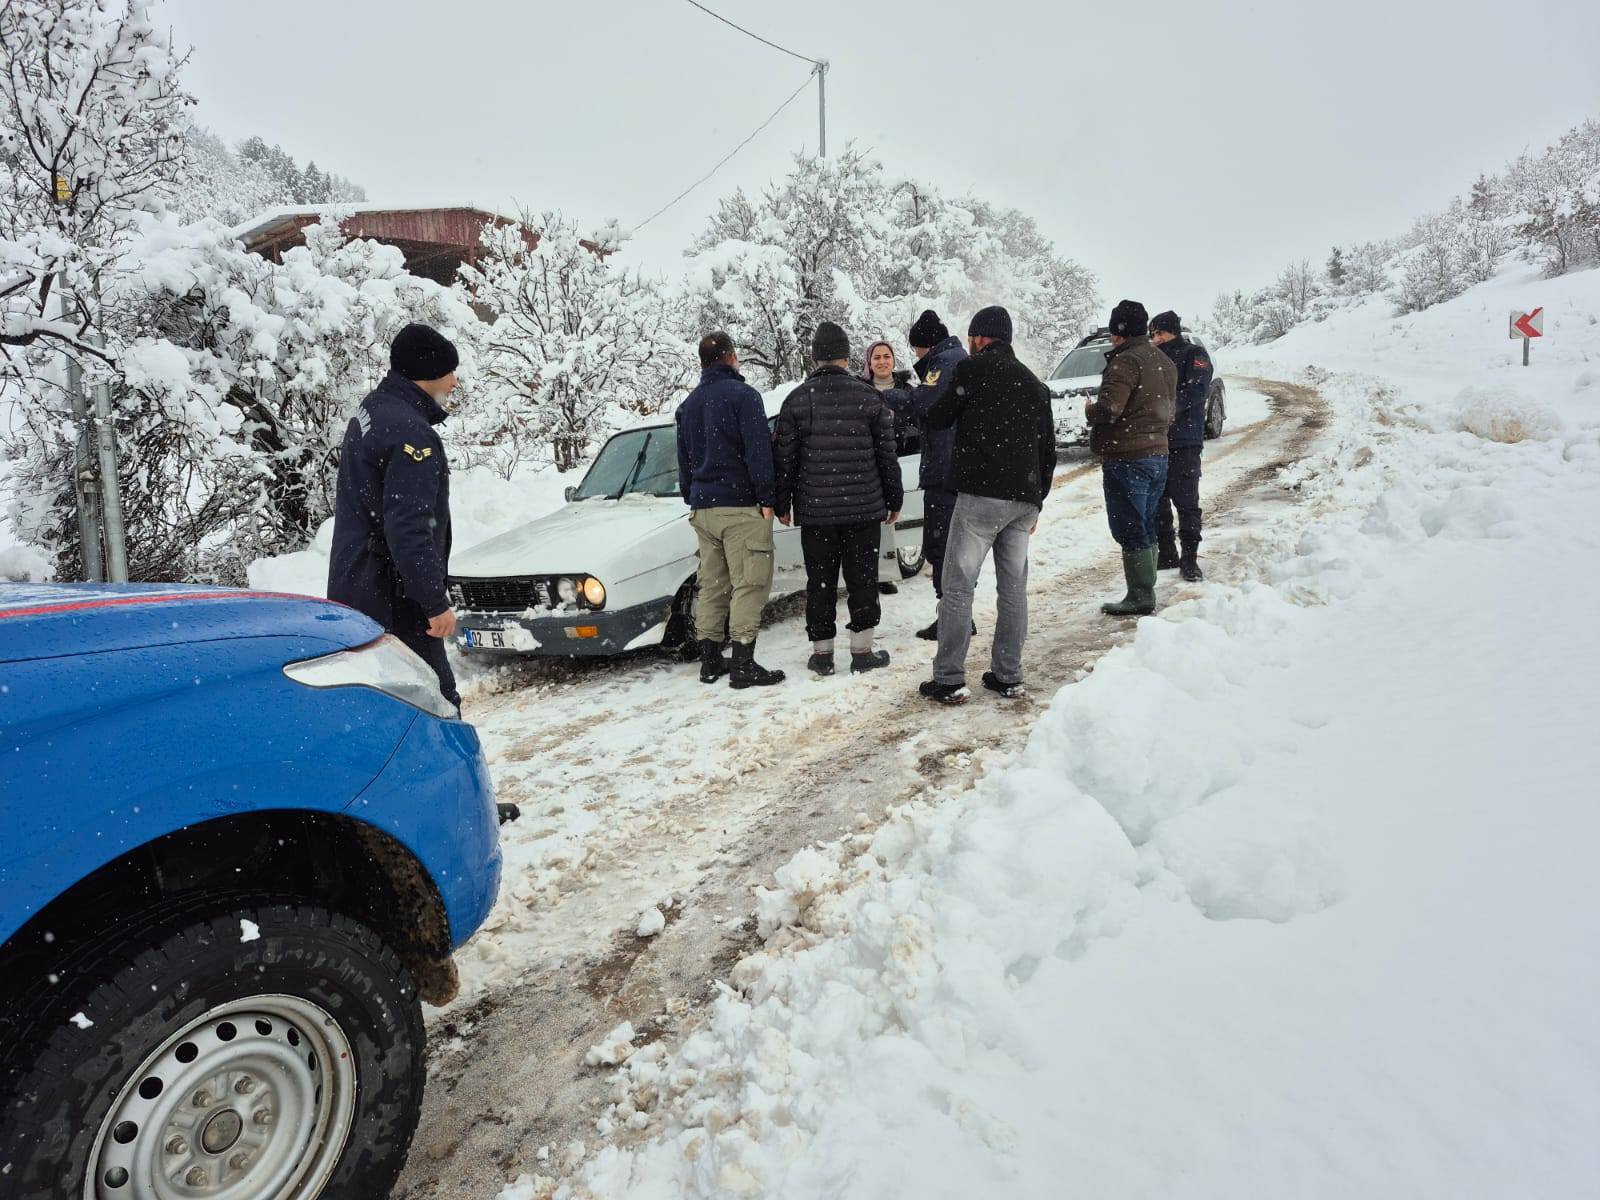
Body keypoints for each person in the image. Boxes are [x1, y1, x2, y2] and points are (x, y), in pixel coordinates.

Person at [918, 306, 1055, 705]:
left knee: (958, 587)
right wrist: (1037, 503)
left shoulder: (971, 371)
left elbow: (938, 417)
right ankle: (1008, 675)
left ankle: (948, 679)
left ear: (979, 337)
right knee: (1013, 591)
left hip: (980, 497)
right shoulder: (1035, 384)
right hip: (1024, 500)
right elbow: (1049, 451)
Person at [328, 323, 463, 708]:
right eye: (449, 372)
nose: (454, 382)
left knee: (381, 706)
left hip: (359, 587)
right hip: (395, 599)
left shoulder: (372, 410)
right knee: (435, 704)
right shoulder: (411, 434)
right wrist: (434, 603)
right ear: (428, 372)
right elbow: (408, 528)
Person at [774, 321, 903, 677]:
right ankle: (862, 652)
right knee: (863, 578)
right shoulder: (868, 397)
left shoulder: (797, 400)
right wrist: (894, 498)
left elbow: (785, 458)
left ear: (815, 357)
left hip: (816, 513)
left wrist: (782, 504)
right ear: (847, 356)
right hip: (863, 510)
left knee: (820, 581)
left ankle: (822, 654)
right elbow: (886, 456)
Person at [675, 331, 785, 689]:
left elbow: (683, 461)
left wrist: (694, 495)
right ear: (732, 357)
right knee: (750, 582)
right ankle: (743, 662)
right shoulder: (744, 397)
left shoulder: (688, 405)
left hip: (703, 508)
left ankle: (710, 661)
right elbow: (758, 452)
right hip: (740, 506)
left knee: (713, 584)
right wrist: (768, 498)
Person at [1085, 300, 1178, 616]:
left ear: (1117, 331)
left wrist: (1089, 410)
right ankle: (1145, 588)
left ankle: (1140, 594)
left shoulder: (1126, 362)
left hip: (1128, 457)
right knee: (1147, 521)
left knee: (1130, 526)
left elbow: (1109, 409)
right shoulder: (1165, 361)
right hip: (1158, 453)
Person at [882, 310, 969, 640]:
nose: (915, 354)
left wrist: (889, 392)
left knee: (941, 547)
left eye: (916, 348)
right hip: (953, 467)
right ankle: (957, 615)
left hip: (943, 470)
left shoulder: (943, 362)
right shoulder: (954, 357)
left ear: (926, 344)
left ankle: (952, 618)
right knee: (953, 549)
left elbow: (923, 401)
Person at [1149, 310, 1214, 581]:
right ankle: (1167, 553)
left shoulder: (1193, 354)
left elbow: (1197, 390)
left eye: (1160, 333)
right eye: (1153, 334)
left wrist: (1168, 409)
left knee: (1186, 502)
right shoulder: (1152, 358)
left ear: (1173, 331)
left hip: (1184, 441)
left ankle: (1190, 559)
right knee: (1158, 502)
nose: (1156, 338)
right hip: (1155, 441)